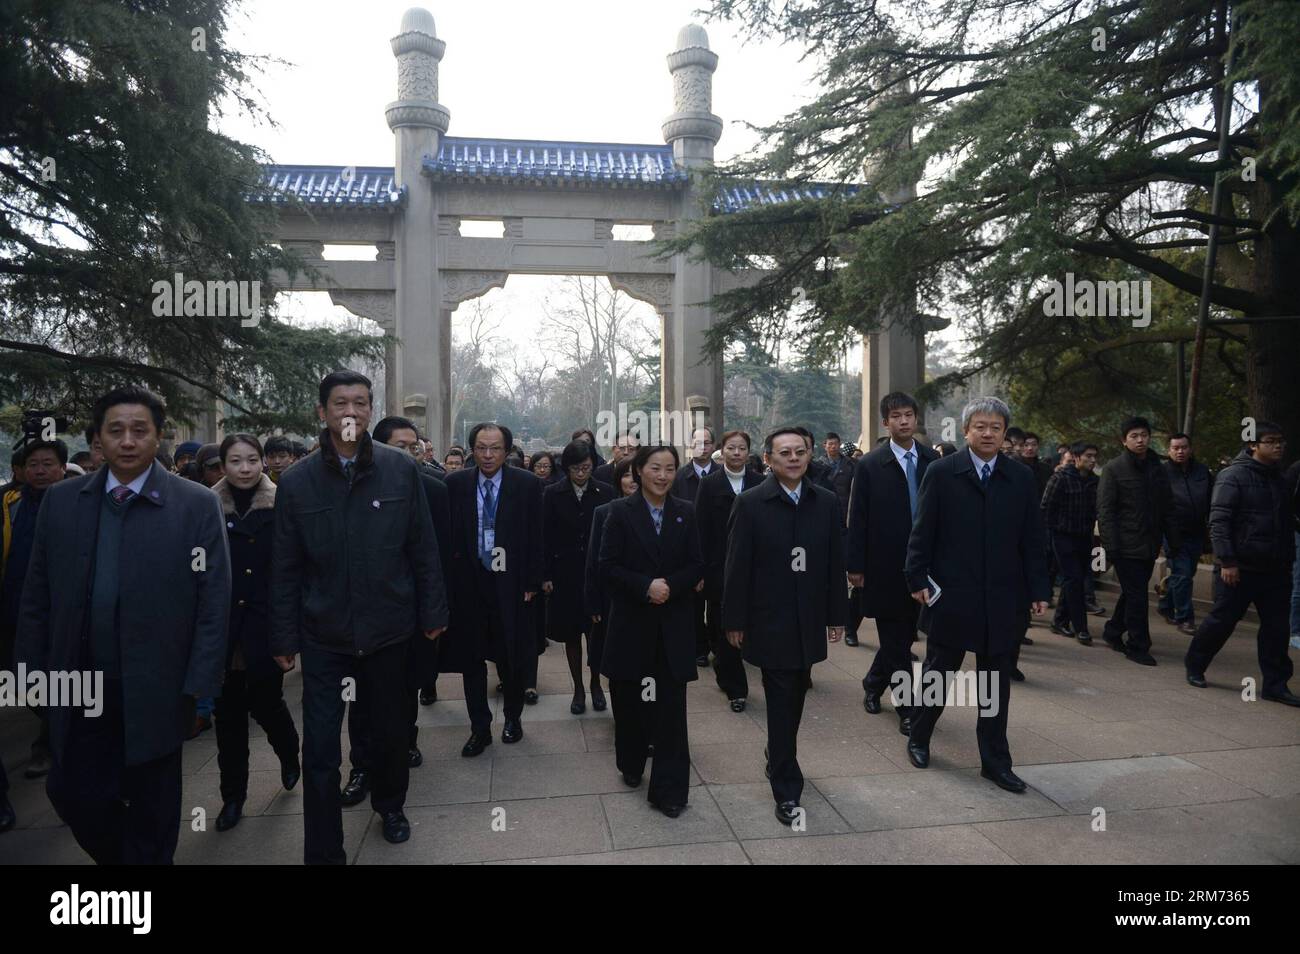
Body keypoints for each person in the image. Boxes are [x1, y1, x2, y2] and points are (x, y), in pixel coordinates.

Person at [17, 386, 231, 863]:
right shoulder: (64, 501)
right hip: (78, 683)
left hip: (158, 685)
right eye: (116, 431)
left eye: (141, 431)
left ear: (158, 438)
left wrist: (202, 684)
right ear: (98, 441)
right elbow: (36, 596)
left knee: (153, 808)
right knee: (74, 795)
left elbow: (213, 602)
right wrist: (29, 672)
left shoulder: (194, 504)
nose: (128, 441)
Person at [270, 370, 447, 862]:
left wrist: (433, 611)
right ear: (322, 412)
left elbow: (423, 547)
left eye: (360, 402)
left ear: (371, 410)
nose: (351, 411)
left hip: (390, 628)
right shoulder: (298, 481)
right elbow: (284, 565)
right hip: (324, 634)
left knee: (390, 733)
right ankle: (324, 848)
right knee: (321, 749)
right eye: (340, 402)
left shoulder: (399, 469)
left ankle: (391, 806)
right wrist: (283, 635)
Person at [903, 397, 1049, 793]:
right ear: (966, 431)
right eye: (980, 426)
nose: (988, 433)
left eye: (996, 428)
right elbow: (923, 531)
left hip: (1002, 597)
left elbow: (1032, 538)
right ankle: (918, 736)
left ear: (1005, 435)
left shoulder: (1019, 477)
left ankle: (995, 762)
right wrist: (917, 577)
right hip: (952, 594)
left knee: (995, 684)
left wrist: (1038, 588)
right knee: (939, 672)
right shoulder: (942, 471)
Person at [723, 427, 848, 825]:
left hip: (808, 617)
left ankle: (777, 752)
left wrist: (836, 615)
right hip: (769, 618)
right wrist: (734, 620)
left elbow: (833, 561)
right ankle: (786, 786)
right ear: (769, 460)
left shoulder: (825, 502)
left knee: (796, 693)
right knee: (780, 699)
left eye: (800, 451)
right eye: (784, 453)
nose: (793, 458)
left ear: (810, 455)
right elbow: (736, 567)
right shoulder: (751, 503)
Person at [338, 416, 453, 808]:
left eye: (413, 447)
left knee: (405, 690)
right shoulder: (355, 488)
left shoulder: (437, 492)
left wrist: (435, 611)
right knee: (361, 698)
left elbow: (437, 558)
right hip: (362, 617)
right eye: (399, 447)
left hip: (414, 614)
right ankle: (361, 767)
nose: (409, 454)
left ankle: (404, 745)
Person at [599, 444, 702, 817]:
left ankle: (670, 792)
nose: (663, 476)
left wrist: (669, 586)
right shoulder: (619, 514)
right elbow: (606, 567)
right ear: (639, 471)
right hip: (632, 625)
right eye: (655, 468)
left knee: (672, 711)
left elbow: (696, 563)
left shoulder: (685, 512)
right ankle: (630, 761)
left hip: (673, 625)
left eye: (670, 469)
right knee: (631, 703)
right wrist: (645, 586)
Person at [210, 434, 301, 832]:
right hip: (222, 630)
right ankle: (233, 797)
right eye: (235, 461)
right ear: (223, 465)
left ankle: (289, 753)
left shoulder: (282, 504)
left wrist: (289, 633)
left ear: (263, 462)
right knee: (227, 717)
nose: (244, 469)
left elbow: (293, 572)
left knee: (267, 704)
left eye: (252, 460)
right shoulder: (206, 507)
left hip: (266, 626)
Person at [441, 423, 544, 756]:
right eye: (481, 448)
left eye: (495, 448)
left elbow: (536, 534)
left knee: (509, 657)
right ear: (472, 449)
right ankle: (479, 728)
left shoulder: (526, 484)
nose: (487, 455)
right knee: (471, 660)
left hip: (511, 585)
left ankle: (512, 717)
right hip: (470, 584)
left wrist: (531, 581)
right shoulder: (455, 483)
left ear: (507, 451)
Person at [1185, 422, 1298, 705]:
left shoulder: (1280, 479)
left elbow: (1284, 520)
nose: (1278, 446)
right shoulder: (1232, 476)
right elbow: (1219, 522)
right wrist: (1227, 561)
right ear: (1253, 445)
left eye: (1281, 441)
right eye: (1271, 441)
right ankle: (1195, 665)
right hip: (1239, 568)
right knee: (1222, 621)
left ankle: (1276, 684)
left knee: (1276, 629)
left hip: (1276, 568)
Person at [847, 392, 937, 733]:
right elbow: (858, 517)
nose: (903, 421)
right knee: (896, 642)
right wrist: (855, 565)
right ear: (886, 422)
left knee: (902, 640)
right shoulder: (871, 464)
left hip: (924, 567)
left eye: (909, 415)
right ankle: (907, 708)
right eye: (896, 416)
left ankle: (872, 683)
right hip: (884, 567)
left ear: (915, 419)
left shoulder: (932, 461)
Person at [3, 439, 67, 784]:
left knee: (61, 680)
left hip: (61, 612)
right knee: (22, 681)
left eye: (47, 464)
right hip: (16, 609)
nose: (40, 471)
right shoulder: (10, 506)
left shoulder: (75, 504)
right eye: (33, 465)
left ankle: (51, 745)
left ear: (61, 468)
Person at [1098, 417, 1181, 665]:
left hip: (1149, 543)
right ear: (1124, 440)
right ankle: (1137, 645)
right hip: (1124, 545)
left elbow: (1167, 507)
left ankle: (1113, 631)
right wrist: (1111, 546)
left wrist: (1173, 540)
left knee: (1132, 593)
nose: (1140, 440)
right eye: (1134, 436)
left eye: (1144, 434)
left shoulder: (1158, 468)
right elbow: (1106, 511)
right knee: (1138, 597)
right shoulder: (1114, 469)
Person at [543, 440, 615, 714]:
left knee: (596, 634)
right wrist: (546, 574)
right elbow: (544, 536)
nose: (581, 473)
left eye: (586, 467)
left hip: (597, 572)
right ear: (566, 468)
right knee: (572, 635)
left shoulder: (606, 491)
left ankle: (597, 683)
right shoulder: (552, 493)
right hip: (566, 573)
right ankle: (578, 688)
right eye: (575, 468)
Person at [695, 430, 763, 712]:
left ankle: (728, 670)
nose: (736, 453)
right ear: (721, 452)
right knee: (725, 626)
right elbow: (700, 529)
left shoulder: (760, 482)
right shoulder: (709, 485)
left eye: (742, 448)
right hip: (719, 568)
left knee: (751, 624)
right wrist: (701, 570)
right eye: (731, 448)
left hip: (755, 567)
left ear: (749, 452)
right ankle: (736, 687)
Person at [585, 457, 639, 716]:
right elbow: (595, 561)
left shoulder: (671, 512)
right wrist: (593, 601)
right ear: (618, 480)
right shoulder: (604, 512)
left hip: (652, 602)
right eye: (627, 475)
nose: (633, 481)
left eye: (637, 474)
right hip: (614, 602)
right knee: (618, 662)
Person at [1042, 440, 1098, 644]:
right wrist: (1050, 537)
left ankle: (1059, 621)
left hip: (1084, 537)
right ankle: (1081, 627)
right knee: (1074, 579)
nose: (1092, 460)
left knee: (1073, 579)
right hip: (1062, 536)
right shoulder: (1060, 478)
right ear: (1076, 458)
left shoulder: (1094, 481)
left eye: (1094, 456)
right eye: (1088, 456)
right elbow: (1046, 508)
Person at [671, 426, 716, 667]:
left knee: (719, 603)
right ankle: (699, 647)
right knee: (694, 605)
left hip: (718, 549)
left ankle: (721, 644)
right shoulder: (678, 477)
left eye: (707, 442)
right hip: (689, 548)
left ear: (713, 446)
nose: (703, 447)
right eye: (698, 442)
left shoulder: (722, 474)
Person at [1160, 433, 1213, 635]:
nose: (1180, 451)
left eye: (1183, 447)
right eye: (1175, 448)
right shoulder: (1162, 473)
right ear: (1169, 451)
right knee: (1182, 575)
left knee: (1186, 573)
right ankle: (1185, 617)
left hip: (1197, 531)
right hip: (1172, 532)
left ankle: (1166, 605)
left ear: (1190, 449)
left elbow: (1211, 498)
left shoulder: (1202, 471)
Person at [820, 431, 854, 517]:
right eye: (830, 444)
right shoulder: (818, 465)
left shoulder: (850, 464)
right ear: (824, 446)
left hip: (845, 508)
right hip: (825, 508)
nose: (833, 446)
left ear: (840, 445)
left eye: (836, 443)